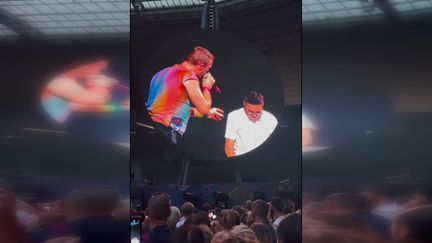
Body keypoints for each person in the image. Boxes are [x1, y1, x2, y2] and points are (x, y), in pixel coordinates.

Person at [147, 46, 224, 144]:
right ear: (201, 66)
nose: (207, 72)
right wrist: (206, 88)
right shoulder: (188, 75)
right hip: (166, 131)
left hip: (155, 127)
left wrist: (209, 112)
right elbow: (204, 109)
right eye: (208, 69)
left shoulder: (161, 73)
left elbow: (179, 109)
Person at [42, 60, 129, 123]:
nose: (104, 67)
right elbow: (99, 100)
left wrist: (123, 107)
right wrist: (100, 84)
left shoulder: (66, 84)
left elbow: (88, 107)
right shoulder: (59, 82)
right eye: (98, 63)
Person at [224, 91, 278, 157]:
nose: (254, 115)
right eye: (250, 111)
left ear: (262, 106)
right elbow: (229, 147)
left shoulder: (271, 120)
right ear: (244, 103)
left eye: (258, 112)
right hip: (241, 159)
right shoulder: (233, 116)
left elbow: (276, 145)